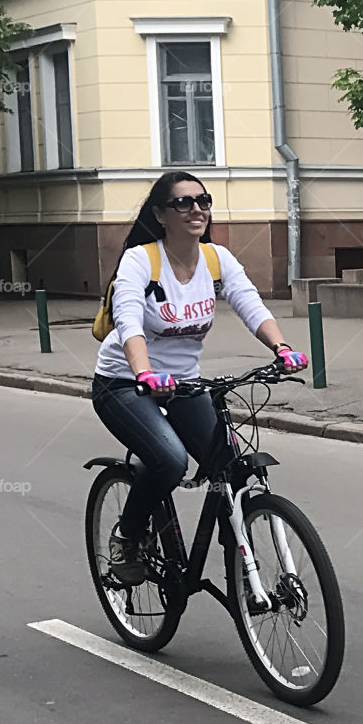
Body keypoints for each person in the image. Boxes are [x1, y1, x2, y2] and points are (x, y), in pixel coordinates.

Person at [91, 170, 308, 584]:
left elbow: (250, 304)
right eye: (183, 203)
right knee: (170, 461)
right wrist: (144, 373)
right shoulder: (141, 260)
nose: (196, 210)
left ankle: (243, 566)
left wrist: (281, 349)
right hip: (124, 383)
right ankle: (129, 536)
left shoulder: (216, 259)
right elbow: (129, 320)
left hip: (185, 384)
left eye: (203, 201)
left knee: (233, 466)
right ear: (160, 214)